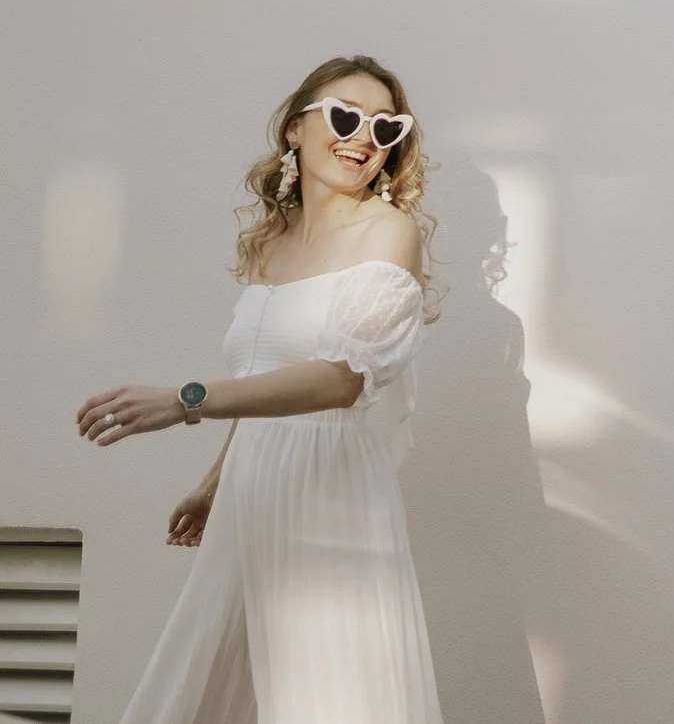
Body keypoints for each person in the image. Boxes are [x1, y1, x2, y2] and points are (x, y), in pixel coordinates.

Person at [80, 54, 442, 724]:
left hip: (332, 493)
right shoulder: (269, 245)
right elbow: (263, 383)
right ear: (295, 129)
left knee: (329, 692)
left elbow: (340, 378)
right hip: (255, 486)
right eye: (344, 115)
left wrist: (185, 399)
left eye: (386, 126)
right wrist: (216, 482)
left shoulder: (388, 232)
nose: (364, 137)